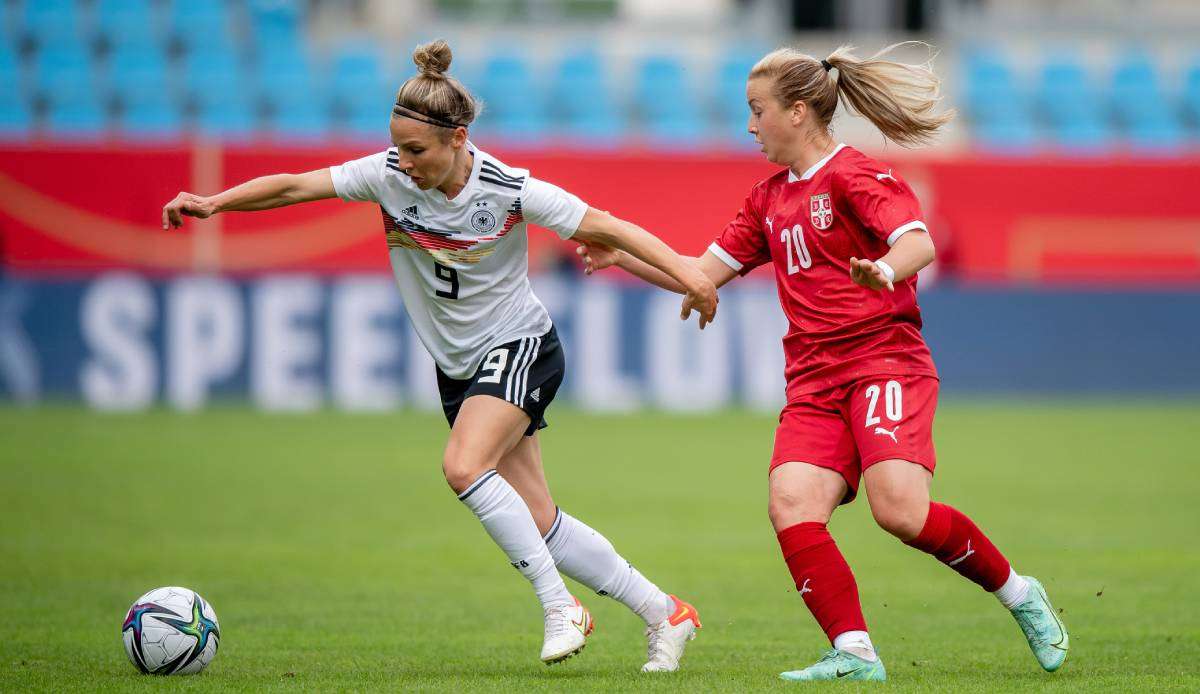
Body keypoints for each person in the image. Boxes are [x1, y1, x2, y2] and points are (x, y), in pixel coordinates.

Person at [160, 39, 712, 672]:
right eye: (398, 146)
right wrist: (214, 203)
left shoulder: (508, 189)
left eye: (417, 149)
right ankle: (663, 613)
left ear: (458, 137)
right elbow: (293, 187)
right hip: (461, 370)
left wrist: (690, 275)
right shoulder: (387, 176)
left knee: (462, 466)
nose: (405, 160)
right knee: (539, 519)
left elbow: (610, 228)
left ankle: (559, 606)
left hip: (521, 344)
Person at [578, 43, 1068, 682]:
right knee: (792, 502)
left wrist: (883, 271)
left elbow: (917, 242)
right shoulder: (767, 199)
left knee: (900, 512)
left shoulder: (854, 175)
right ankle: (855, 651)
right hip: (814, 380)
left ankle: (1019, 593)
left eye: (757, 111)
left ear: (800, 111)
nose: (749, 126)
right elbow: (700, 274)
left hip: (884, 362)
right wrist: (623, 255)